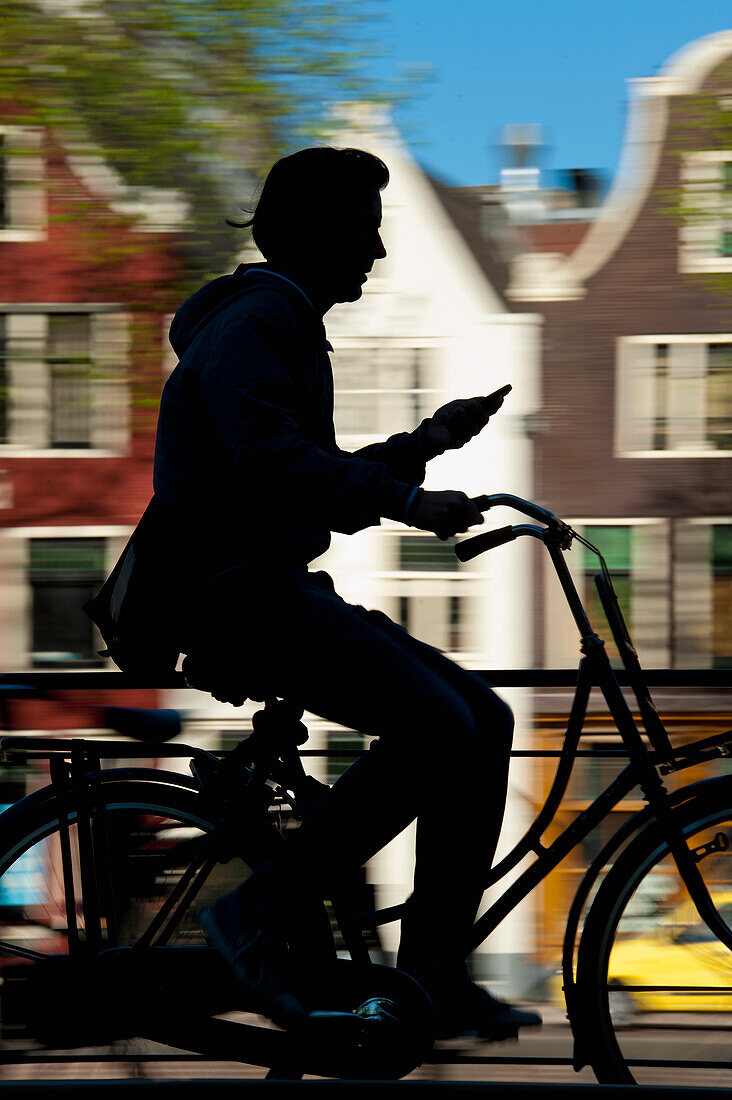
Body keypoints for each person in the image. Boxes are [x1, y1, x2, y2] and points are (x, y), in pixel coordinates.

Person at [153, 146, 541, 1039]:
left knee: (485, 717)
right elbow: (273, 465)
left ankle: (433, 980)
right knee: (440, 725)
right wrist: (409, 500)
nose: (375, 251)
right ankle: (255, 915)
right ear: (315, 233)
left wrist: (426, 443)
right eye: (364, 230)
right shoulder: (259, 321)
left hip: (267, 583)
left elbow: (302, 478)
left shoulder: (280, 322)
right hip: (235, 595)